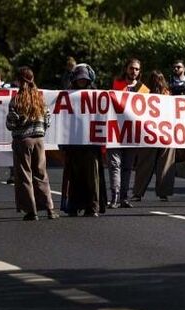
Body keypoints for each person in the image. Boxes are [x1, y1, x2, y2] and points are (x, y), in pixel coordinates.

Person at [6, 66, 57, 221]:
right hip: (39, 140)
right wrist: (40, 129)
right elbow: (48, 119)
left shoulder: (16, 100)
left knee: (24, 176)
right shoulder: (39, 98)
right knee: (41, 174)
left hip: (23, 141)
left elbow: (11, 124)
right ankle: (49, 209)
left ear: (19, 81)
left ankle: (31, 211)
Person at [61, 63, 104, 217]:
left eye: (84, 79)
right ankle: (73, 205)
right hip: (73, 143)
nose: (82, 81)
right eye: (79, 79)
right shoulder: (67, 95)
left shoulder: (96, 95)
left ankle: (92, 207)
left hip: (91, 143)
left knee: (92, 176)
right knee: (73, 176)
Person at [108, 58, 149, 208]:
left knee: (127, 166)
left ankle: (124, 198)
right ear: (126, 69)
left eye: (137, 69)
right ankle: (115, 197)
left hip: (132, 134)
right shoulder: (116, 84)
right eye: (132, 68)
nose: (134, 71)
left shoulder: (144, 90)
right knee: (115, 165)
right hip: (115, 131)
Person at [132, 70, 176, 202]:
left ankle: (140, 193)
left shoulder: (165, 93)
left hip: (159, 134)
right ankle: (156, 192)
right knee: (152, 164)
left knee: (153, 164)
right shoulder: (145, 91)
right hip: (154, 133)